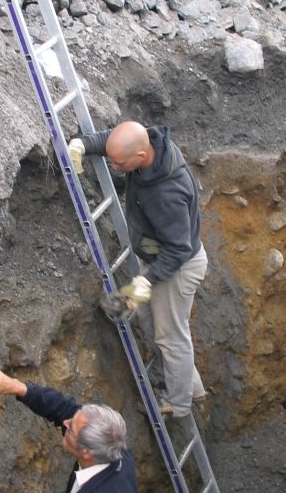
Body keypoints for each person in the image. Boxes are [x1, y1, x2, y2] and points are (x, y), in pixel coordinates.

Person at [68, 121, 207, 419]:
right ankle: (191, 386)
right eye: (112, 160)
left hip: (178, 267)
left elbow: (179, 249)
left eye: (119, 163)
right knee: (152, 325)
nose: (114, 166)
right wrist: (84, 144)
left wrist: (145, 281)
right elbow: (113, 142)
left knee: (171, 337)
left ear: (141, 158)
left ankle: (178, 404)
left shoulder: (167, 193)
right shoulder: (148, 141)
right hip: (159, 257)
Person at [0, 369, 138, 493]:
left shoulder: (108, 488)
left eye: (71, 427)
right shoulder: (114, 446)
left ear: (87, 451)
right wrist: (16, 387)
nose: (65, 422)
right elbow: (62, 408)